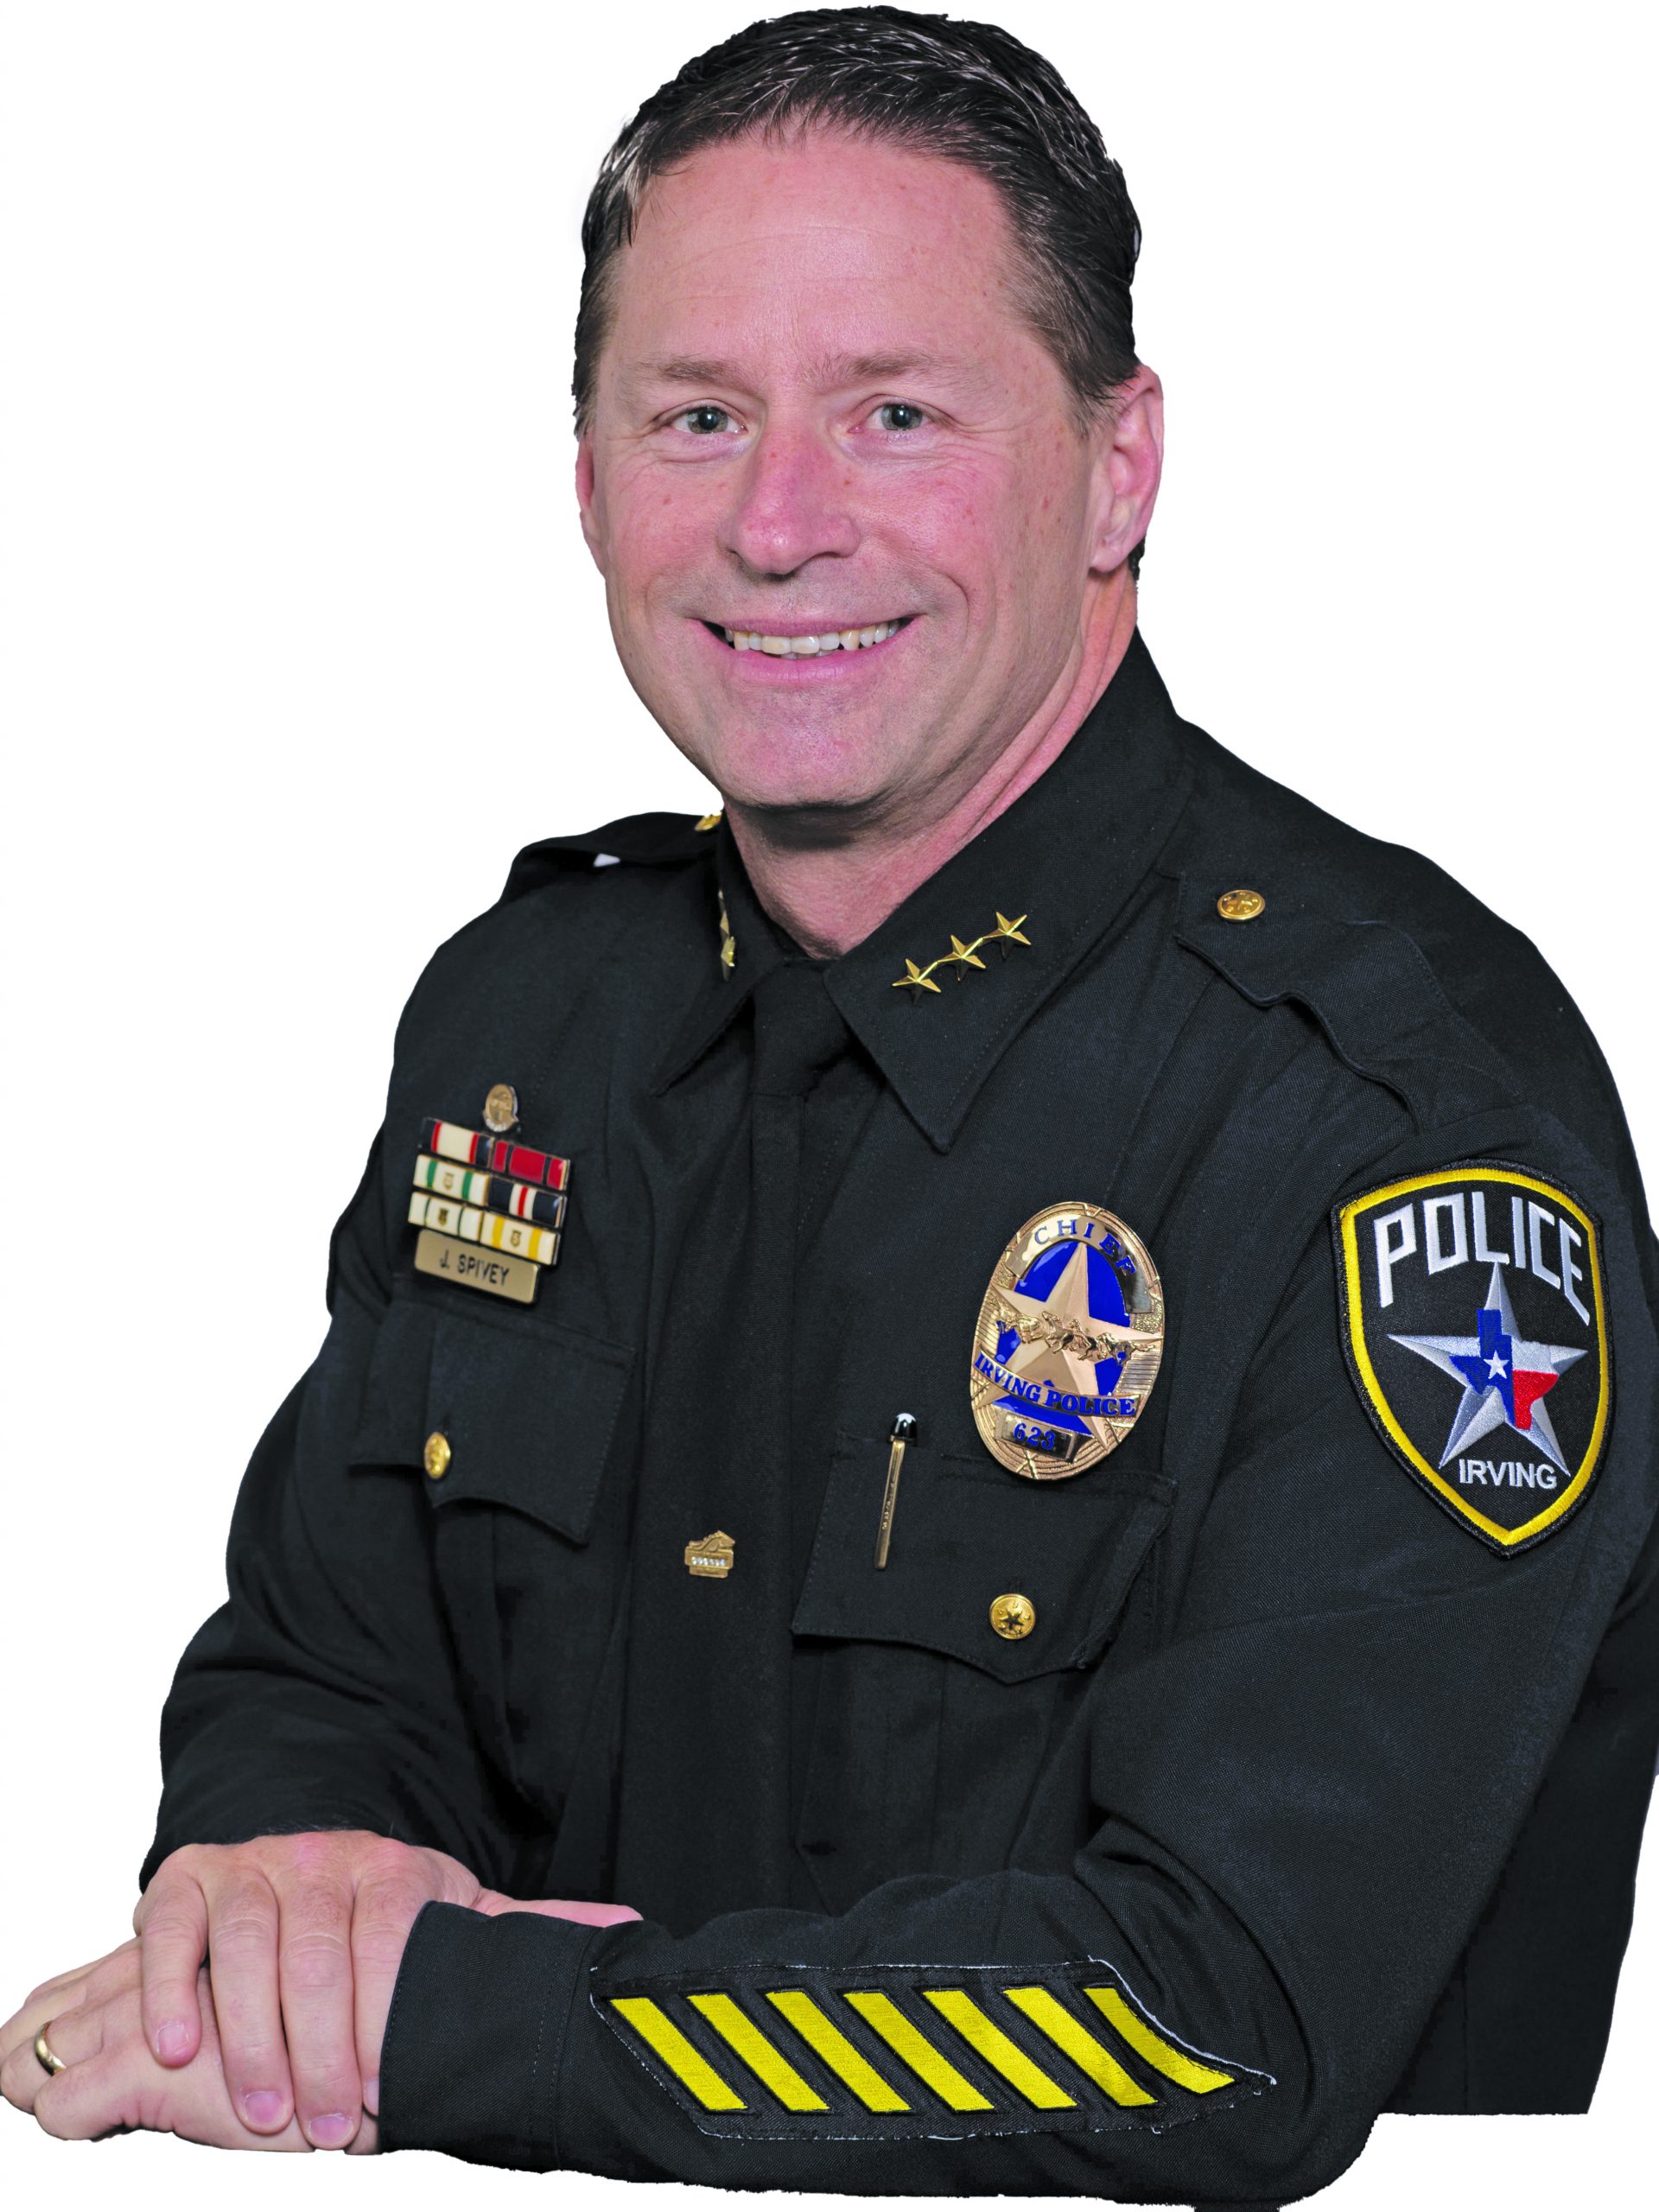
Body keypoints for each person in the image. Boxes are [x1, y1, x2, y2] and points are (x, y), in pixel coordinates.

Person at [3, 7, 1656, 2204]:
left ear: (1123, 465)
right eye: (697, 415)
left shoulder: (1397, 1115)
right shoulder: (534, 1020)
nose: (778, 524)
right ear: (587, 478)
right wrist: (281, 1881)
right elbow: (329, 1654)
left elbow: (1223, 2018)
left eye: (896, 413)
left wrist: (453, 2021)